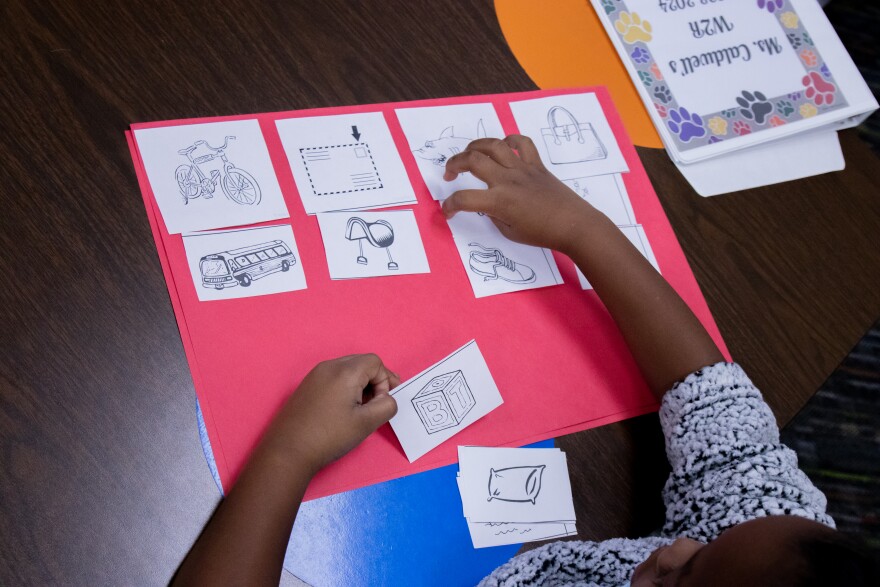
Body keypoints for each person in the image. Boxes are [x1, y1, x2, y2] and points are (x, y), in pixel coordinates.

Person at [171, 136, 878, 586]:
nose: (668, 554)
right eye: (700, 548)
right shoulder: (768, 543)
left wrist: (289, 453)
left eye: (681, 583)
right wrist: (579, 227)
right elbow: (714, 402)